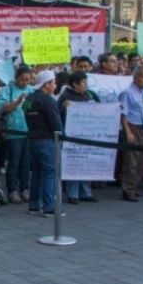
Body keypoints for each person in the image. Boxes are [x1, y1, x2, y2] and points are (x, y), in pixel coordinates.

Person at [56, 71, 99, 204]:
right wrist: (64, 108)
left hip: (87, 134)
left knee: (86, 163)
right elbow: (57, 113)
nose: (85, 85)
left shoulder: (89, 95)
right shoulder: (65, 97)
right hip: (72, 136)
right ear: (75, 84)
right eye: (83, 83)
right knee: (73, 164)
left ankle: (86, 192)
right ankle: (73, 193)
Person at [24, 70, 63, 216]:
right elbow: (56, 123)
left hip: (33, 139)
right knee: (49, 173)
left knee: (37, 173)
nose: (55, 85)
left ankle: (34, 205)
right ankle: (50, 207)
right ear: (46, 84)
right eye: (52, 82)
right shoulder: (48, 100)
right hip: (46, 140)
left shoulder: (29, 98)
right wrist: (61, 136)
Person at [0, 66, 34, 204]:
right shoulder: (8, 90)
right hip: (13, 131)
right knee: (14, 162)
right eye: (22, 79)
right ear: (16, 78)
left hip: (29, 131)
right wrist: (17, 102)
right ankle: (12, 190)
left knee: (26, 163)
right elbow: (0, 107)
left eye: (28, 80)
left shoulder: (32, 90)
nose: (25, 82)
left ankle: (25, 189)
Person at [119, 65, 143, 202]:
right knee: (132, 161)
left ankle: (135, 186)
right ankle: (128, 190)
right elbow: (123, 115)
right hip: (133, 127)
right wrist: (128, 132)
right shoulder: (127, 93)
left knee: (142, 160)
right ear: (136, 77)